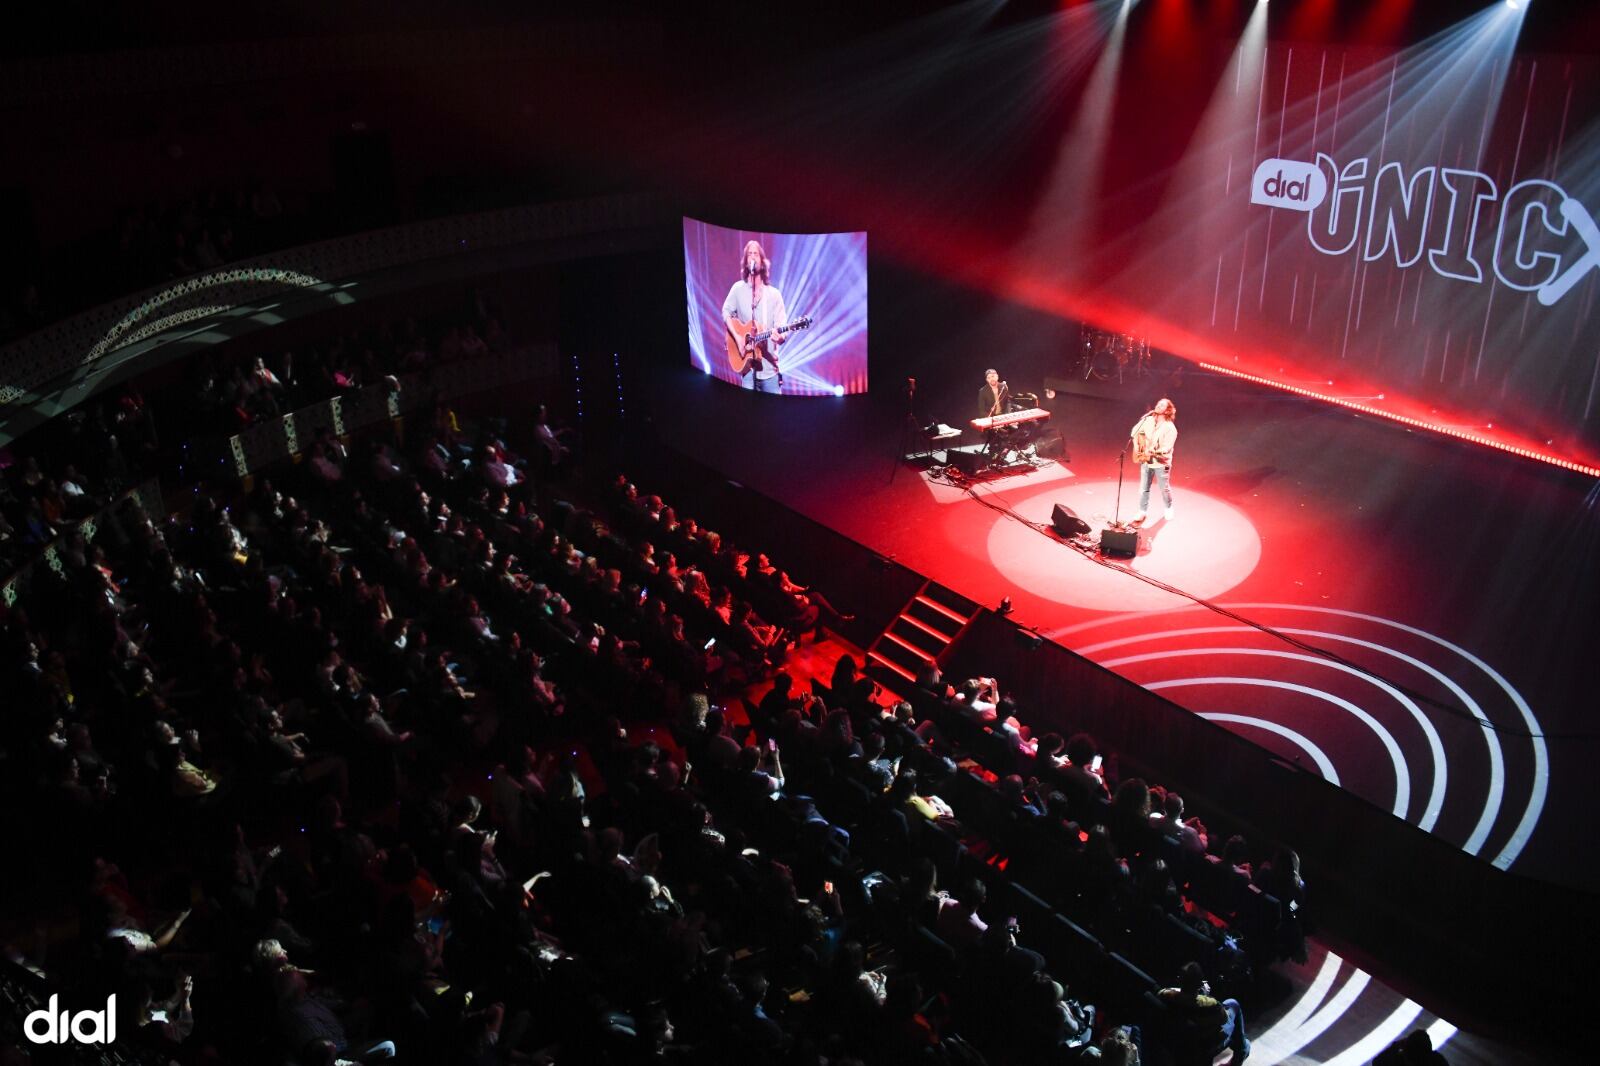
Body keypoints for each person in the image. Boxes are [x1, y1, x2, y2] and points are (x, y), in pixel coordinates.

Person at [723, 239, 789, 393]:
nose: (753, 257)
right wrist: (738, 338)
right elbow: (726, 311)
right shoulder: (738, 289)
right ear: (746, 262)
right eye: (749, 254)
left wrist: (779, 337)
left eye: (756, 254)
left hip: (770, 373)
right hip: (747, 371)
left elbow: (783, 330)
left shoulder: (774, 295)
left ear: (762, 261)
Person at [1130, 397, 1177, 523]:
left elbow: (1166, 448)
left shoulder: (1170, 428)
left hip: (1161, 463)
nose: (1158, 406)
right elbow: (1134, 432)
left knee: (1164, 488)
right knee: (1144, 487)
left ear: (1168, 411)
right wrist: (1138, 447)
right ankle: (1142, 511)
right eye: (1158, 404)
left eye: (1162, 405)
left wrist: (1154, 452)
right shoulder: (1148, 420)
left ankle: (1168, 508)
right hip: (1146, 460)